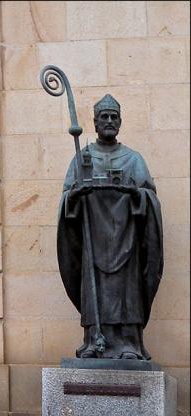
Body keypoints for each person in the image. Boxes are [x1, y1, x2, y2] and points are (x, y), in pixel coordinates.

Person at [56, 94, 164, 361]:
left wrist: (135, 193)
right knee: (95, 291)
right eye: (103, 117)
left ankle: (129, 343)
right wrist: (76, 195)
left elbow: (149, 196)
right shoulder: (82, 159)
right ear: (94, 122)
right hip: (93, 239)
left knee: (127, 290)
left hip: (126, 238)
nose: (109, 121)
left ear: (120, 121)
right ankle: (94, 339)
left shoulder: (133, 159)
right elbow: (67, 198)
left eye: (113, 117)